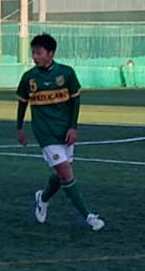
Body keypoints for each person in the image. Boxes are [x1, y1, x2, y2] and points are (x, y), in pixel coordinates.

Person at [17, 33, 104, 231]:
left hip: (64, 131)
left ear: (51, 53)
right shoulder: (29, 77)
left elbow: (75, 101)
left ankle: (43, 198)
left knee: (62, 174)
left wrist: (73, 127)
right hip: (45, 133)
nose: (35, 57)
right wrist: (19, 128)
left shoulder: (66, 73)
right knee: (65, 173)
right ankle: (89, 217)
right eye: (33, 53)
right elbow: (22, 103)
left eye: (39, 53)